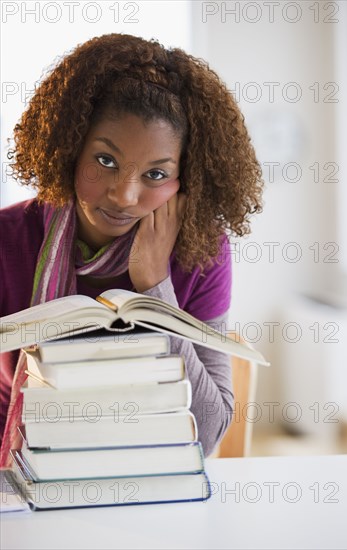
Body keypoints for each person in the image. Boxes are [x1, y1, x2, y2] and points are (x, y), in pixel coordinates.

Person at [0, 33, 264, 466]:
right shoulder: (9, 240)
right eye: (105, 161)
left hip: (156, 477)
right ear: (69, 149)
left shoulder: (203, 253)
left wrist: (156, 288)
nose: (124, 195)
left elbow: (210, 431)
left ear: (187, 179)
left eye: (156, 174)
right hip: (26, 479)